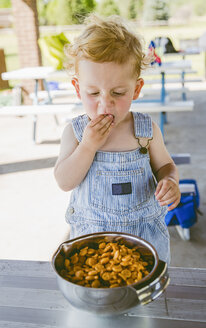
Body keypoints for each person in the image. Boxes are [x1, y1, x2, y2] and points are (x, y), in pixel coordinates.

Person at [54, 14, 181, 264]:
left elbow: (166, 166)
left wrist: (170, 181)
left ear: (136, 88)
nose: (105, 103)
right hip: (92, 247)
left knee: (147, 300)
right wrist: (88, 146)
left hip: (145, 245)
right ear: (78, 89)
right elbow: (64, 181)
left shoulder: (146, 130)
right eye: (93, 92)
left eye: (118, 92)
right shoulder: (76, 132)